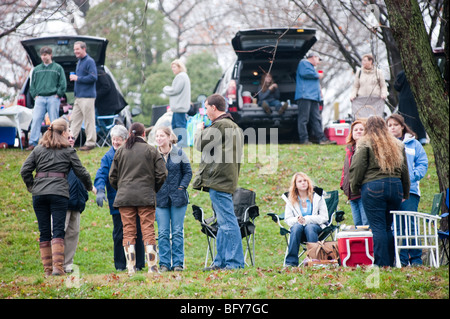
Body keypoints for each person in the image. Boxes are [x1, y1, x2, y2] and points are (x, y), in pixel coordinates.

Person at [20, 118, 92, 276]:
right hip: (58, 193)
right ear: (64, 132)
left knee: (44, 231)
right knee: (58, 230)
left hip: (39, 194)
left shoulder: (38, 149)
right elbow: (82, 172)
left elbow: (24, 170)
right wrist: (89, 186)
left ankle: (47, 270)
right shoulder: (68, 150)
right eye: (67, 130)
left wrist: (32, 186)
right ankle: (58, 268)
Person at [192, 94, 245, 270]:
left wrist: (199, 130)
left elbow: (199, 144)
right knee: (222, 223)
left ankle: (235, 263)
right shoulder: (234, 126)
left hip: (219, 180)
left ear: (214, 107)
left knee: (228, 223)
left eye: (206, 108)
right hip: (226, 179)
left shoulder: (220, 125)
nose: (206, 112)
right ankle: (220, 262)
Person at [349, 116, 410, 267]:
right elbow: (405, 171)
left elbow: (358, 167)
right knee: (388, 227)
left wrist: (354, 187)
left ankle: (381, 264)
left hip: (373, 186)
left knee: (377, 227)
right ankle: (390, 262)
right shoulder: (397, 143)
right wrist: (405, 192)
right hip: (395, 187)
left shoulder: (365, 142)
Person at [109, 122, 167, 275]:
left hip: (125, 197)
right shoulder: (151, 150)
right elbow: (162, 174)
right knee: (148, 231)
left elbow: (112, 176)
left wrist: (121, 189)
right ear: (144, 134)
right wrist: (153, 188)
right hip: (146, 196)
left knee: (128, 232)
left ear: (129, 134)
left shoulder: (120, 151)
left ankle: (131, 268)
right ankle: (152, 267)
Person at [93, 125, 145, 272]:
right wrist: (100, 190)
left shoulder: (133, 153)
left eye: (119, 140)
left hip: (135, 199)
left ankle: (139, 263)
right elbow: (102, 174)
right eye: (113, 140)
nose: (115, 143)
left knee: (138, 231)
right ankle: (121, 265)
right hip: (117, 202)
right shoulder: (108, 157)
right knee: (119, 233)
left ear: (126, 139)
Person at [387, 114, 428, 266]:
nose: (392, 128)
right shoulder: (386, 144)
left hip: (410, 191)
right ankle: (402, 259)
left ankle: (416, 258)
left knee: (410, 224)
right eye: (389, 125)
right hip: (392, 191)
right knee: (397, 226)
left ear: (402, 126)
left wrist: (413, 176)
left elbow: (422, 162)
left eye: (395, 125)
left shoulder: (413, 144)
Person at [154, 126, 192, 272]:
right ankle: (164, 263)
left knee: (177, 231)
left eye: (162, 136)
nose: (159, 139)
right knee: (163, 232)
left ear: (169, 137)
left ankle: (178, 263)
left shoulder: (180, 153)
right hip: (161, 199)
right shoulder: (153, 155)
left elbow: (188, 172)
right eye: (157, 136)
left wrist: (181, 187)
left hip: (178, 199)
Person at [284, 172, 329, 267]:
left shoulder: (317, 196)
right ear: (295, 185)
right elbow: (288, 219)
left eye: (305, 180)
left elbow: (324, 217)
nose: (303, 183)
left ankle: (314, 261)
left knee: (310, 227)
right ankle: (291, 263)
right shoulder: (290, 199)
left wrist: (307, 219)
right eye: (299, 181)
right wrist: (297, 219)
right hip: (298, 230)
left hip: (316, 228)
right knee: (296, 227)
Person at [26, 46, 67, 151]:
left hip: (53, 98)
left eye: (46, 55)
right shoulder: (36, 69)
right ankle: (33, 143)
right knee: (36, 120)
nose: (44, 57)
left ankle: (56, 141)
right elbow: (32, 85)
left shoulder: (58, 68)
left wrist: (58, 94)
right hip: (40, 98)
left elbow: (63, 83)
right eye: (42, 55)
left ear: (50, 55)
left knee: (54, 120)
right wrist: (35, 95)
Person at [295, 52, 336, 145]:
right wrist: (318, 75)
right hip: (304, 96)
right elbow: (305, 73)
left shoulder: (311, 67)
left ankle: (322, 139)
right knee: (304, 118)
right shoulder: (304, 63)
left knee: (316, 118)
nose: (318, 62)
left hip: (313, 97)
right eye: (318, 59)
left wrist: (319, 93)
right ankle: (304, 140)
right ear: (313, 57)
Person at [63, 129, 89, 273]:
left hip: (76, 201)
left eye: (73, 137)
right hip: (63, 201)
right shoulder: (59, 155)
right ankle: (56, 264)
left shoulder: (74, 154)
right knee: (60, 232)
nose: (72, 139)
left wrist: (84, 194)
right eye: (69, 137)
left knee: (73, 234)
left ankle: (68, 264)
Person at [70, 41, 98, 151]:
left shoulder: (89, 61)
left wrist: (78, 79)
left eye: (77, 49)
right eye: (74, 49)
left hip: (87, 97)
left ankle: (90, 143)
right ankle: (69, 142)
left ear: (84, 49)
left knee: (88, 120)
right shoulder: (79, 62)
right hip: (78, 97)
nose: (75, 51)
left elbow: (94, 77)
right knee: (74, 120)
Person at [340, 119, 369, 226]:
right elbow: (345, 170)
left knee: (365, 224)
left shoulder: (367, 148)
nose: (358, 131)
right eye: (355, 130)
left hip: (363, 193)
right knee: (357, 224)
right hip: (352, 194)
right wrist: (343, 185)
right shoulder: (349, 149)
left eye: (361, 129)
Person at [163, 59, 191, 148]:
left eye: (174, 67)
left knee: (179, 126)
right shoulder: (184, 76)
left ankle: (182, 144)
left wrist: (165, 88)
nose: (173, 69)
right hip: (180, 107)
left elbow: (175, 90)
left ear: (180, 67)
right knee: (176, 125)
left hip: (179, 107)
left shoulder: (180, 76)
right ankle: (179, 144)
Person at [394, 70, 427, 145]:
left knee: (406, 119)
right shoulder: (419, 72)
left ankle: (408, 136)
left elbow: (397, 87)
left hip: (405, 99)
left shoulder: (402, 74)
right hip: (417, 98)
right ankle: (421, 137)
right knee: (418, 118)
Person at [350, 54, 388, 118]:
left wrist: (383, 94)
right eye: (362, 60)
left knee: (375, 119)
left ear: (370, 61)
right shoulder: (359, 72)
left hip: (375, 101)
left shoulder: (378, 72)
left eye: (365, 60)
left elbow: (383, 86)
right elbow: (356, 86)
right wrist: (353, 95)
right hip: (362, 101)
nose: (363, 62)